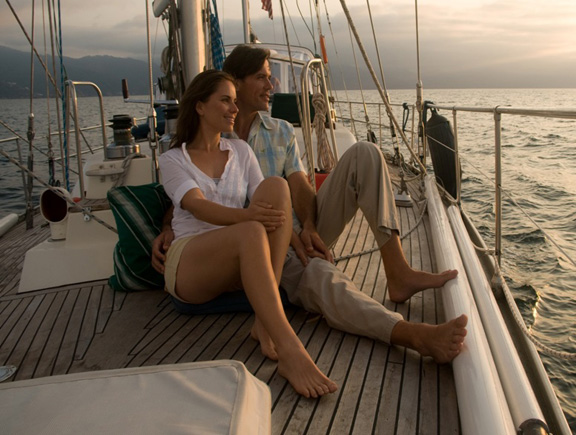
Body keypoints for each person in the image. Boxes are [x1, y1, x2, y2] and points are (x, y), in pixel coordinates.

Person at [154, 46, 468, 364]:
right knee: (322, 278)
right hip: (262, 241)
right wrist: (167, 228)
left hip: (297, 228)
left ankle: (398, 272)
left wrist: (310, 227)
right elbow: (193, 200)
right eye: (261, 77)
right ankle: (408, 333)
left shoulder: (279, 132)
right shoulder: (203, 143)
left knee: (367, 153)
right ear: (235, 82)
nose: (271, 84)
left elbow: (299, 185)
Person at [158, 69, 336, 398]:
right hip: (189, 266)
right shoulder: (173, 159)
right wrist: (247, 216)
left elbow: (271, 206)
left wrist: (297, 242)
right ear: (199, 106)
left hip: (237, 263)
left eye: (235, 101)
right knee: (250, 229)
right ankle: (289, 348)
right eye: (225, 100)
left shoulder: (240, 150)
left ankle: (262, 323)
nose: (234, 109)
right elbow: (196, 206)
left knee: (276, 186)